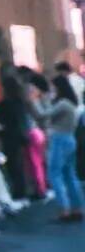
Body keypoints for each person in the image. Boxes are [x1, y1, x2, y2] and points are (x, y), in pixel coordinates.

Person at [44, 75, 84, 222]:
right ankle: (77, 207)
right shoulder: (71, 103)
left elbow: (43, 115)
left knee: (55, 173)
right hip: (70, 139)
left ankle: (64, 208)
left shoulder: (62, 104)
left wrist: (32, 102)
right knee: (70, 174)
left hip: (59, 139)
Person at [0, 73, 32, 202]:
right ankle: (21, 190)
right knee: (18, 165)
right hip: (19, 136)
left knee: (13, 166)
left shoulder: (7, 103)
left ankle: (18, 191)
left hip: (10, 137)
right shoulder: (18, 101)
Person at [26, 74, 52, 200]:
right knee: (42, 161)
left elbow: (40, 114)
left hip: (36, 131)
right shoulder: (46, 96)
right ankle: (46, 185)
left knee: (37, 162)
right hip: (43, 131)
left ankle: (42, 188)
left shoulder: (33, 98)